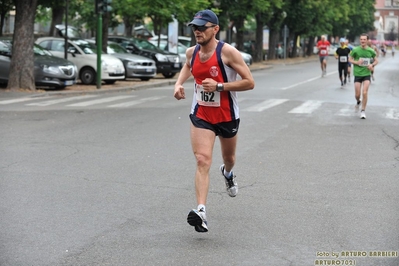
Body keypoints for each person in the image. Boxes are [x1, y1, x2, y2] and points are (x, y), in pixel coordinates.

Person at [173, 9, 255, 233]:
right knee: (202, 159)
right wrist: (178, 84)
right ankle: (201, 211)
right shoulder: (192, 52)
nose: (197, 31)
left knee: (229, 158)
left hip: (227, 115)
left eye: (202, 27)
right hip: (202, 114)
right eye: (194, 28)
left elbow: (249, 82)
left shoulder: (228, 53)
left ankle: (228, 173)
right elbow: (187, 67)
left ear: (215, 29)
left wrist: (220, 86)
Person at [349, 33, 378, 119]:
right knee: (357, 95)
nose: (362, 41)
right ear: (360, 40)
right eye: (361, 39)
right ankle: (358, 101)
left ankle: (363, 111)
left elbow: (376, 61)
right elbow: (350, 59)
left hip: (366, 74)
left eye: (364, 39)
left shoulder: (371, 51)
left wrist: (372, 65)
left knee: (364, 92)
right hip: (357, 74)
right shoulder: (355, 50)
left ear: (367, 40)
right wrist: (356, 62)